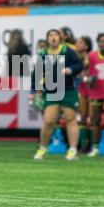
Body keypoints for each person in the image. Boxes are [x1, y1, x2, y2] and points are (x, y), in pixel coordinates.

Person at [31, 29, 83, 161]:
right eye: (50, 36)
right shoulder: (42, 54)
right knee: (49, 121)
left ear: (60, 38)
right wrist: (33, 91)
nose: (53, 38)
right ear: (47, 39)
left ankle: (72, 150)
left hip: (69, 89)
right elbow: (36, 73)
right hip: (52, 90)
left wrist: (70, 70)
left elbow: (80, 64)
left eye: (56, 35)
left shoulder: (67, 51)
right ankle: (42, 148)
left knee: (70, 119)